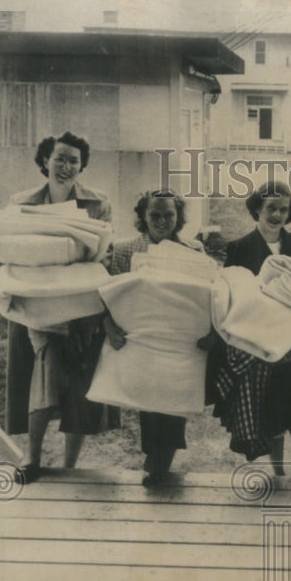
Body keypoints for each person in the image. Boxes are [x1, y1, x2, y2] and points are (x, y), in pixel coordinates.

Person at [6, 131, 119, 484]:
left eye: (73, 160)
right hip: (41, 305)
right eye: (59, 158)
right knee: (47, 367)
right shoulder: (21, 202)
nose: (66, 166)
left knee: (82, 378)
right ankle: (32, 456)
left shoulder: (98, 203)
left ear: (82, 165)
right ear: (44, 161)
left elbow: (106, 255)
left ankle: (71, 465)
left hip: (83, 303)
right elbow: (10, 252)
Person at [218, 182, 291, 483]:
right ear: (257, 209)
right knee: (272, 401)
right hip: (259, 340)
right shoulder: (238, 248)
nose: (277, 214)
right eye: (271, 208)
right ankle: (277, 470)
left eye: (283, 209)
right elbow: (230, 299)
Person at [104, 190, 207, 486]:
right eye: (155, 215)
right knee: (149, 399)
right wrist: (109, 325)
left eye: (169, 215)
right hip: (143, 337)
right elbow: (107, 293)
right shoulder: (124, 249)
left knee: (174, 397)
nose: (162, 221)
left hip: (180, 338)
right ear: (143, 217)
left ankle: (162, 462)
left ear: (179, 217)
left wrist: (208, 332)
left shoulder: (194, 249)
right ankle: (155, 458)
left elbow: (207, 294)